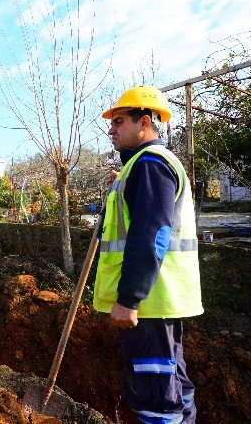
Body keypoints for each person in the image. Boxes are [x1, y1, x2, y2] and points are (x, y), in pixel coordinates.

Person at [94, 86, 203, 424]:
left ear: (144, 122)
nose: (111, 129)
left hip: (148, 303)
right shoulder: (142, 167)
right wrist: (125, 180)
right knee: (172, 382)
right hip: (159, 300)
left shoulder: (151, 166)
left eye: (119, 121)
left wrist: (129, 298)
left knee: (155, 394)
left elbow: (152, 235)